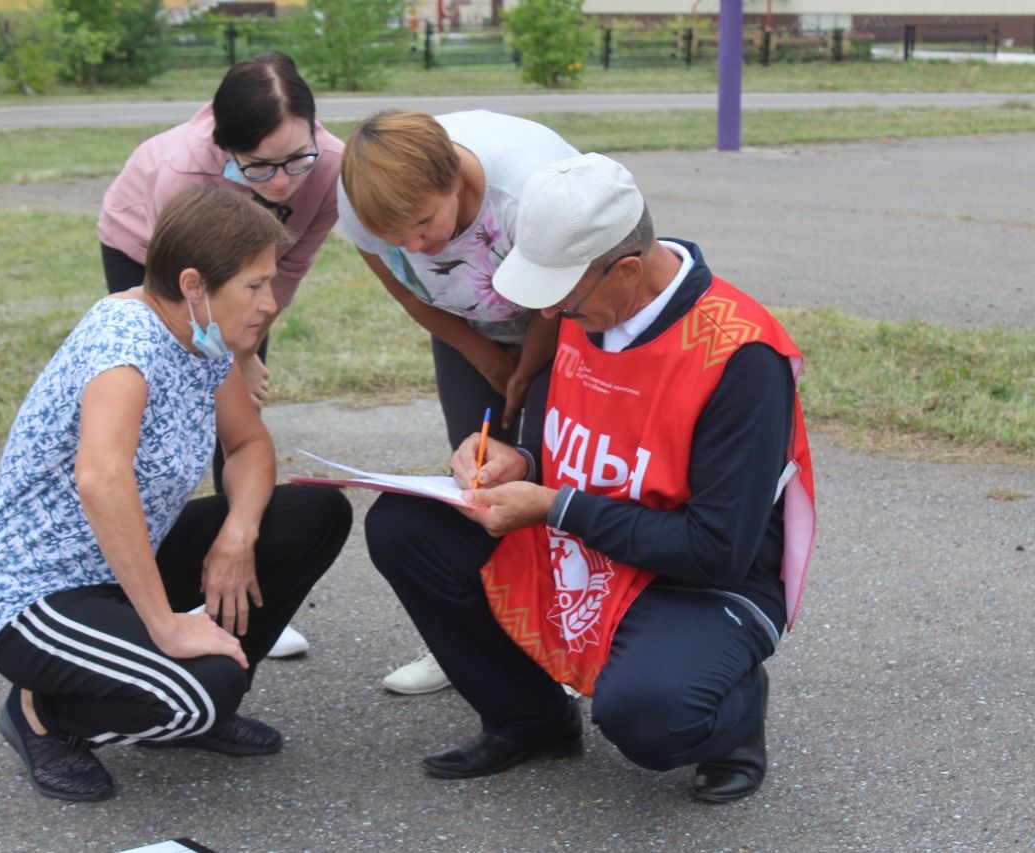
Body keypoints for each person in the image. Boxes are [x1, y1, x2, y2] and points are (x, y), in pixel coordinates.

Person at [364, 153, 816, 803]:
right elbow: (585, 455)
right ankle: (531, 719)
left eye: (564, 296)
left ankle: (736, 716)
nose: (550, 314)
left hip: (696, 578)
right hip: (588, 531)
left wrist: (553, 504)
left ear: (628, 269)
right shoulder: (590, 307)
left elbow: (717, 550)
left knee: (649, 716)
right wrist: (517, 464)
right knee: (405, 526)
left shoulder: (742, 356)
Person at [0, 186, 353, 802]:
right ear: (195, 283)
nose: (270, 302)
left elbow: (250, 446)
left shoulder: (201, 337)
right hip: (39, 593)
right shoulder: (126, 347)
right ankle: (41, 713)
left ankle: (186, 690)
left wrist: (239, 532)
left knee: (315, 513)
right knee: (202, 690)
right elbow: (101, 477)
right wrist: (165, 625)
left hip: (121, 562)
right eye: (254, 286)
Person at [98, 50, 343, 659]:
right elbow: (187, 295)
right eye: (262, 167)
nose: (285, 182)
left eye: (296, 159)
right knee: (169, 411)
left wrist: (250, 347)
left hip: (248, 275)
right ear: (226, 148)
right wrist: (228, 357)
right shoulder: (183, 170)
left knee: (234, 424)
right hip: (151, 251)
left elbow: (287, 267)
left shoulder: (332, 165)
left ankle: (236, 581)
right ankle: (153, 580)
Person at [337, 109, 579, 694]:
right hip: (467, 327)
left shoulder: (529, 189)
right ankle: (473, 638)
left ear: (454, 178)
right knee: (477, 481)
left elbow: (563, 296)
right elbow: (411, 294)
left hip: (569, 320)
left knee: (550, 475)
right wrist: (488, 360)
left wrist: (525, 369)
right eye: (400, 238)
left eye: (424, 223)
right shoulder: (365, 208)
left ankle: (570, 639)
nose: (417, 245)